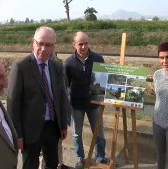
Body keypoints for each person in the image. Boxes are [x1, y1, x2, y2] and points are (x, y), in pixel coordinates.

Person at [7, 26, 69, 169]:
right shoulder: (20, 66)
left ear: (54, 46)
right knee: (30, 164)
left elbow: (61, 97)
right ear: (33, 43)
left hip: (53, 126)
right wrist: (18, 134)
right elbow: (13, 103)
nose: (43, 48)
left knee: (52, 162)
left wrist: (63, 124)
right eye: (40, 43)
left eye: (48, 45)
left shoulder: (57, 66)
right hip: (30, 129)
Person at [64, 31, 108, 168]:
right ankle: (80, 158)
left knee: (98, 131)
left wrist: (103, 98)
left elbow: (103, 80)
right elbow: (66, 84)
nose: (83, 47)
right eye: (80, 44)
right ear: (74, 45)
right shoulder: (68, 62)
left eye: (86, 43)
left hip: (94, 104)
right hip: (76, 105)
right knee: (77, 133)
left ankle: (100, 157)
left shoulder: (98, 59)